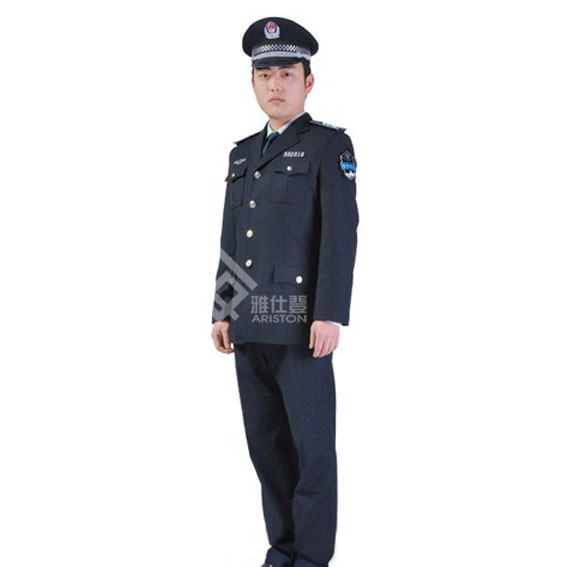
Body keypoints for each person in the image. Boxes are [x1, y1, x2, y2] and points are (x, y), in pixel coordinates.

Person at [211, 16, 359, 567]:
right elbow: (232, 235)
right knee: (267, 449)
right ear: (253, 81)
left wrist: (329, 313)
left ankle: (312, 559)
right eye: (265, 74)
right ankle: (283, 550)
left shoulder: (328, 146)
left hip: (301, 326)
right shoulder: (243, 153)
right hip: (249, 325)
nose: (275, 84)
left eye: (287, 74)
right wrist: (223, 308)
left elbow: (340, 234)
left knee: (311, 450)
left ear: (308, 81)